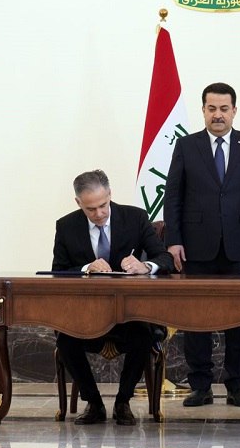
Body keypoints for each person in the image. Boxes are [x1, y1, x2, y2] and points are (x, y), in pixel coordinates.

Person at [164, 82, 240, 408]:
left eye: (224, 109)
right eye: (211, 108)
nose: (218, 115)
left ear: (234, 111)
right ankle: (200, 386)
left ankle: (237, 385)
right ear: (203, 110)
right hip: (196, 247)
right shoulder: (187, 145)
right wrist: (173, 240)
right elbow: (173, 197)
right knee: (196, 319)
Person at [52, 169, 174, 425]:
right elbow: (58, 272)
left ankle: (123, 401)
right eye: (91, 209)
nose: (99, 213)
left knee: (143, 335)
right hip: (86, 314)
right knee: (65, 340)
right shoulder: (66, 226)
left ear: (110, 194)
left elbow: (165, 259)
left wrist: (145, 266)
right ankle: (93, 403)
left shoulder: (135, 218)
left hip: (128, 313)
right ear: (78, 203)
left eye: (103, 205)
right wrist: (86, 268)